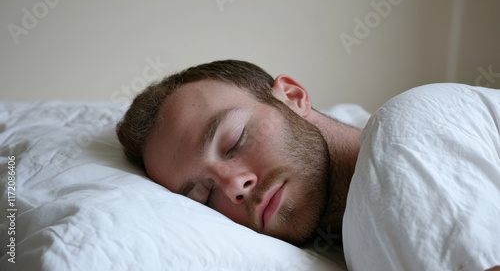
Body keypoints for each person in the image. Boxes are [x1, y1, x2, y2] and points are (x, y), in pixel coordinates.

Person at [116, 60, 500, 270]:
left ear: (293, 96)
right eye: (203, 195)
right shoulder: (347, 241)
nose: (233, 187)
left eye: (233, 141)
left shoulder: (403, 129)